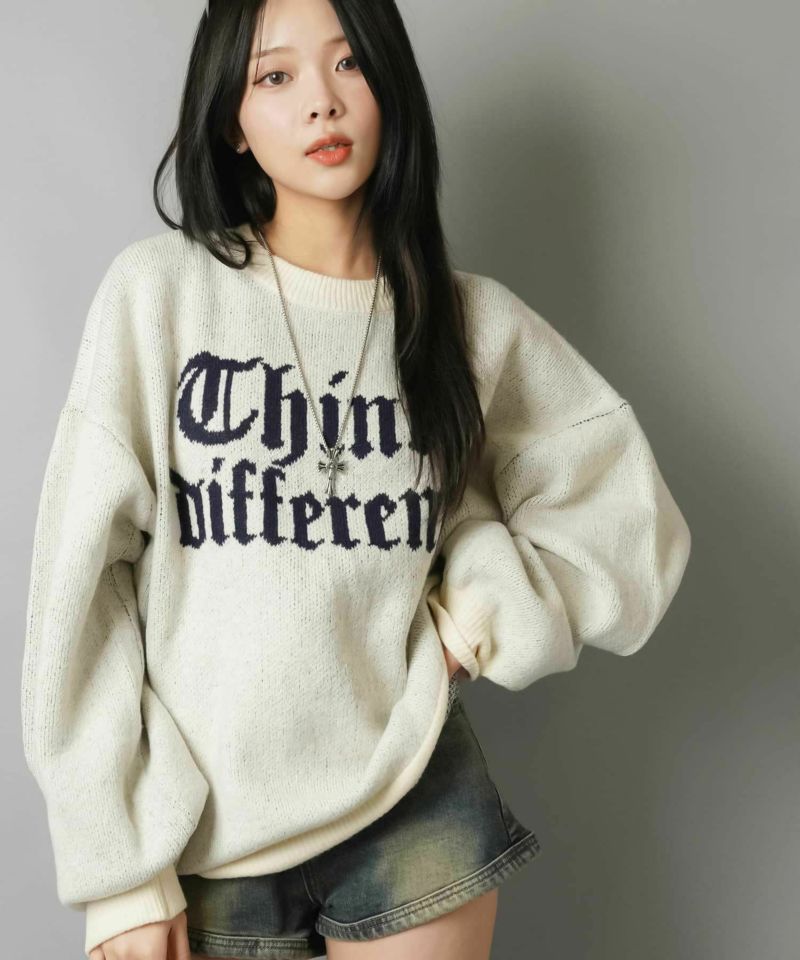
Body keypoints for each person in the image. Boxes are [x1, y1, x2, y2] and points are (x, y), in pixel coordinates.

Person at [20, 0, 692, 958]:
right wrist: (121, 870)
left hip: (412, 797)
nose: (321, 104)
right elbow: (83, 589)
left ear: (390, 88)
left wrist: (472, 622)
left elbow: (621, 509)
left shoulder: (465, 321)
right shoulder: (161, 293)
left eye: (350, 65)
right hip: (206, 823)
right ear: (232, 122)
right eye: (276, 76)